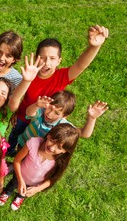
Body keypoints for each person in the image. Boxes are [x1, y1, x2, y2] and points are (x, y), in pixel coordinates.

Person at [7, 25, 109, 155]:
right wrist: (15, 113)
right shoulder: (30, 74)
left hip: (45, 121)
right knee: (15, 136)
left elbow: (80, 65)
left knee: (33, 150)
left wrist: (94, 46)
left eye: (52, 58)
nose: (46, 63)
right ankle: (9, 152)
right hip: (24, 116)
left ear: (59, 61)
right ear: (37, 57)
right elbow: (17, 98)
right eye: (43, 57)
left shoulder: (61, 77)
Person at [0, 123, 79, 210]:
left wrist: (37, 189)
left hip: (34, 184)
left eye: (59, 147)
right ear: (49, 135)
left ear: (64, 151)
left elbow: (52, 179)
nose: (52, 148)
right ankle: (7, 192)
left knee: (25, 192)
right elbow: (17, 161)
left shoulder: (60, 162)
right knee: (12, 184)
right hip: (19, 175)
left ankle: (20, 197)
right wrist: (20, 180)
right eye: (52, 140)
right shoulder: (33, 143)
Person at [0, 46, 42, 136]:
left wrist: (26, 81)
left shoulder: (7, 113)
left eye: (3, 93)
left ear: (7, 98)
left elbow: (15, 98)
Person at [18, 90, 109, 147]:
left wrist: (92, 118)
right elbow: (29, 113)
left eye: (57, 113)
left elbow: (84, 134)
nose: (49, 113)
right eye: (50, 108)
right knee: (18, 157)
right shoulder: (41, 111)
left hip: (38, 151)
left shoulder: (62, 125)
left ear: (65, 116)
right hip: (24, 142)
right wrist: (36, 105)